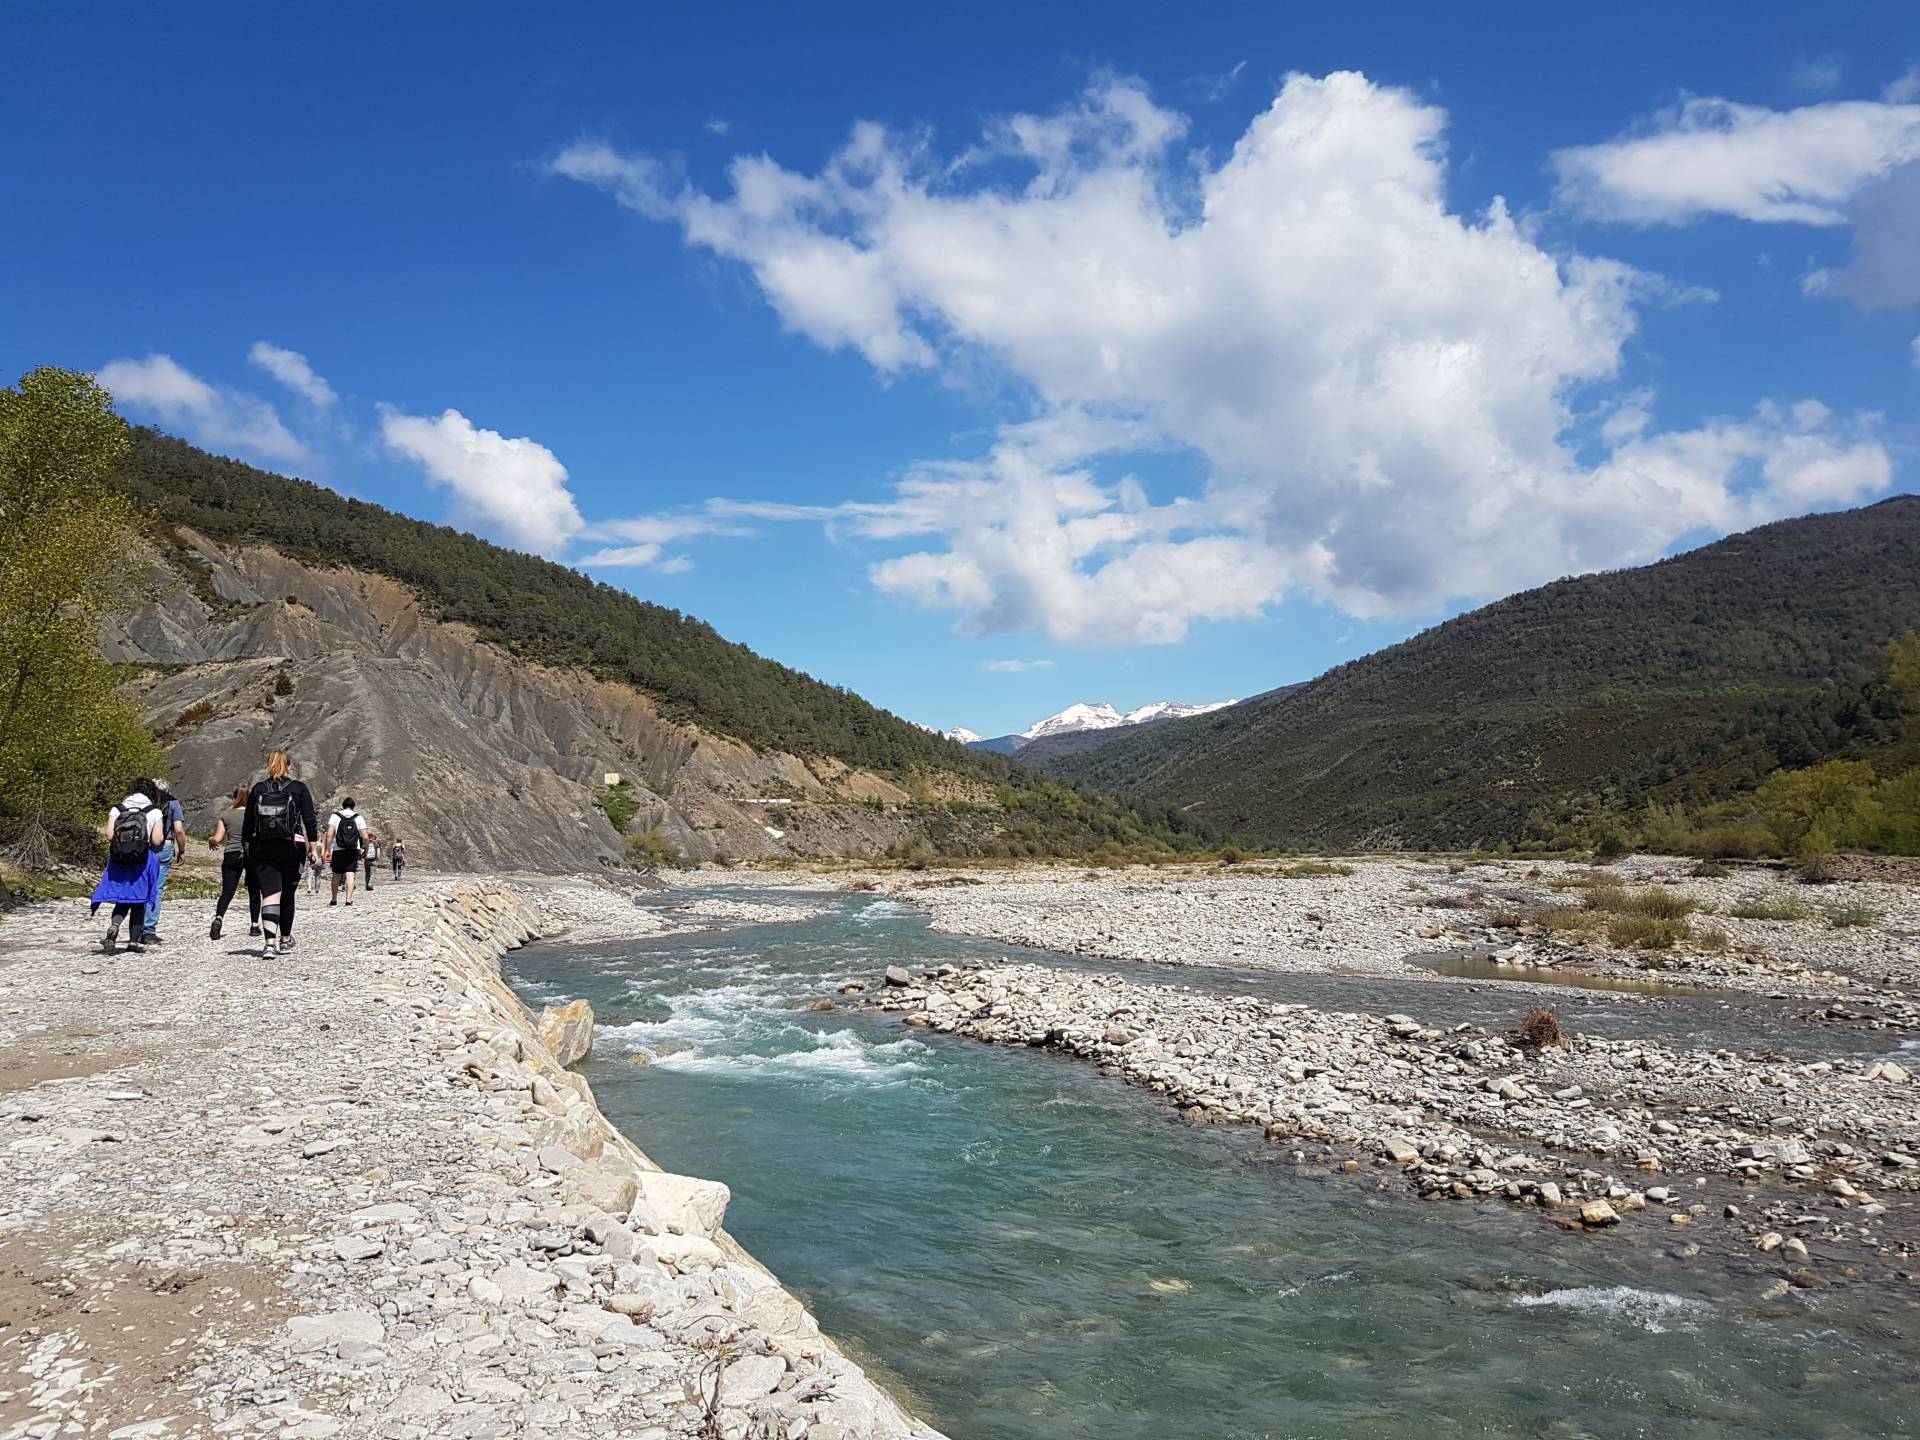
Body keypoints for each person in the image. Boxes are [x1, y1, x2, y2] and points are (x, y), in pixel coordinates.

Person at [243, 750, 318, 959]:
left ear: (268, 765)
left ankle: (269, 944)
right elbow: (310, 821)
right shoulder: (298, 788)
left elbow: (248, 825)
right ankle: (285, 939)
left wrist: (248, 851)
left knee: (270, 893)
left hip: (264, 848)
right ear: (288, 766)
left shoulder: (258, 789)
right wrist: (313, 849)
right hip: (293, 847)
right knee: (287, 894)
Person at [89, 780, 165, 953]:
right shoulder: (153, 811)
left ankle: (115, 925)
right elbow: (157, 839)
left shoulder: (118, 809)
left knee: (122, 898)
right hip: (142, 860)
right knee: (139, 900)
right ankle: (133, 942)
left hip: (119, 860)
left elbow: (109, 835)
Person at [207, 784, 260, 940]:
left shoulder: (226, 816)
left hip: (231, 854)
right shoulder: (255, 815)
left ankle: (219, 918)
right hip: (251, 855)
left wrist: (211, 840)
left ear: (234, 798)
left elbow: (217, 838)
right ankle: (255, 925)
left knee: (228, 891)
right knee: (254, 890)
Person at [145, 779, 188, 945]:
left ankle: (137, 927)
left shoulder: (147, 803)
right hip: (165, 847)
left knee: (144, 885)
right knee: (157, 888)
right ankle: (149, 930)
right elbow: (178, 829)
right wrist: (182, 850)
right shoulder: (173, 803)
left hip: (146, 847)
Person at [327, 798, 368, 906]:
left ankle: (334, 899)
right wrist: (364, 849)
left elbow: (330, 835)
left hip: (338, 849)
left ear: (343, 805)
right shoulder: (358, 817)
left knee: (336, 874)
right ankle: (348, 900)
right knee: (350, 874)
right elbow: (366, 837)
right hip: (353, 849)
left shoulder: (335, 816)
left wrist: (329, 849)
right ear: (354, 806)